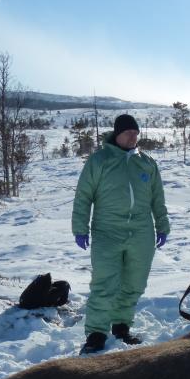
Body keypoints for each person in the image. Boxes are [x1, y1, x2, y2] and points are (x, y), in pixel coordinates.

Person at [72, 114, 170, 354]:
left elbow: (158, 198)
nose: (133, 136)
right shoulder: (99, 160)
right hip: (107, 231)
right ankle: (96, 333)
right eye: (128, 132)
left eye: (136, 133)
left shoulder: (146, 163)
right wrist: (80, 228)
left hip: (141, 232)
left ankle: (121, 326)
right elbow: (84, 196)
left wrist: (163, 225)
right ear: (117, 134)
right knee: (105, 284)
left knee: (134, 283)